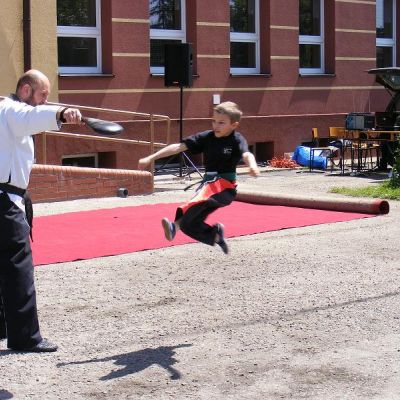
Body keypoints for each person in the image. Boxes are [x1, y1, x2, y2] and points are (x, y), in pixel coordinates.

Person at [0, 69, 82, 352]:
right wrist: (62, 113)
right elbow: (30, 117)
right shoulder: (12, 109)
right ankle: (25, 337)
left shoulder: (5, 110)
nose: (45, 101)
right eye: (43, 95)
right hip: (4, 202)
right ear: (25, 90)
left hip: (7, 197)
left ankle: (3, 326)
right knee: (18, 267)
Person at [138, 101, 260, 254]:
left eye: (221, 123)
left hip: (225, 188)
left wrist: (253, 165)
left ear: (233, 125)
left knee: (202, 196)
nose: (216, 125)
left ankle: (174, 227)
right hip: (209, 186)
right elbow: (178, 147)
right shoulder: (207, 137)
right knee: (189, 224)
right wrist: (151, 157)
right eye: (214, 121)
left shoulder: (236, 139)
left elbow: (247, 154)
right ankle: (215, 235)